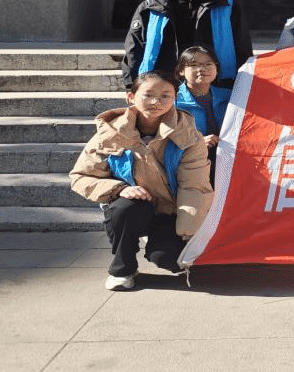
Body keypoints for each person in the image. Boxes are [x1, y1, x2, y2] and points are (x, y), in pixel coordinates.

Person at [69, 72, 213, 291]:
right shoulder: (111, 133)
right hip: (132, 206)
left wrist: (189, 236)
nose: (156, 102)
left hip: (170, 210)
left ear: (174, 99)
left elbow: (194, 187)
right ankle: (123, 269)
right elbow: (80, 176)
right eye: (148, 95)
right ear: (131, 97)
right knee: (125, 209)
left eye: (165, 96)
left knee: (171, 259)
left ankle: (158, 240)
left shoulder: (189, 136)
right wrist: (119, 189)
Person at [121, 0, 253, 90]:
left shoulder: (226, 3)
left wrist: (245, 84)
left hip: (216, 86)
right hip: (163, 86)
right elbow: (134, 48)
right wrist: (131, 86)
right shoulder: (153, 5)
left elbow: (242, 45)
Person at [174, 46, 230, 186]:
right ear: (181, 70)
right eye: (194, 65)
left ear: (217, 69)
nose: (202, 69)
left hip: (226, 161)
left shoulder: (230, 96)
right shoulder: (172, 100)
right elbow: (161, 140)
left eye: (208, 64)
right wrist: (196, 144)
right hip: (188, 165)